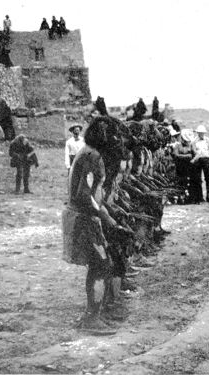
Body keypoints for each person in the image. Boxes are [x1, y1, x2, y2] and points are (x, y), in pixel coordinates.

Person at [62, 116, 128, 330]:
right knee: (100, 264)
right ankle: (91, 319)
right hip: (82, 218)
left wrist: (105, 211)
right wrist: (105, 216)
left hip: (86, 215)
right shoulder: (91, 155)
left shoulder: (90, 152)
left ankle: (97, 313)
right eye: (115, 136)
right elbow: (85, 194)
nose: (118, 141)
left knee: (102, 263)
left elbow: (93, 194)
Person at [190, 125, 209, 203]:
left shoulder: (208, 140)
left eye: (202, 133)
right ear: (197, 133)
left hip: (206, 159)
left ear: (204, 133)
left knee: (208, 178)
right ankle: (200, 197)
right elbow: (194, 151)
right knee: (198, 178)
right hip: (198, 160)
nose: (201, 134)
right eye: (199, 133)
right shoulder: (194, 141)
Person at [173, 130, 194, 203]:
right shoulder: (177, 145)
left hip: (188, 167)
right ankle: (180, 197)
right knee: (180, 182)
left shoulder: (190, 145)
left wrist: (191, 158)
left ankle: (188, 197)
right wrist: (187, 156)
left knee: (187, 181)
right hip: (180, 167)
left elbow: (194, 154)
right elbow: (176, 155)